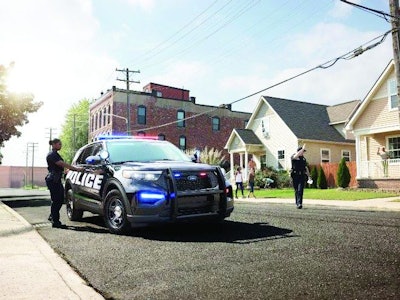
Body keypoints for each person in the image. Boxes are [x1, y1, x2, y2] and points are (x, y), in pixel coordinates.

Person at [46, 138, 83, 228]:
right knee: (56, 201)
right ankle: (55, 222)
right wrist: (76, 169)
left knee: (60, 199)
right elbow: (62, 164)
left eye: (60, 144)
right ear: (54, 145)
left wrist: (64, 171)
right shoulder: (52, 155)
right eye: (59, 144)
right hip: (53, 180)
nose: (60, 146)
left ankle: (52, 216)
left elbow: (58, 167)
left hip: (56, 179)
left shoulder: (55, 154)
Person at [290, 145, 310, 209]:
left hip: (302, 175)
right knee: (296, 190)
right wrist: (302, 149)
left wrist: (309, 176)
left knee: (300, 189)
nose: (303, 152)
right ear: (299, 151)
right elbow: (296, 156)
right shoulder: (294, 156)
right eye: (302, 151)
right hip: (295, 175)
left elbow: (306, 168)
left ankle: (299, 203)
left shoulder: (303, 159)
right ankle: (297, 203)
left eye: (303, 151)